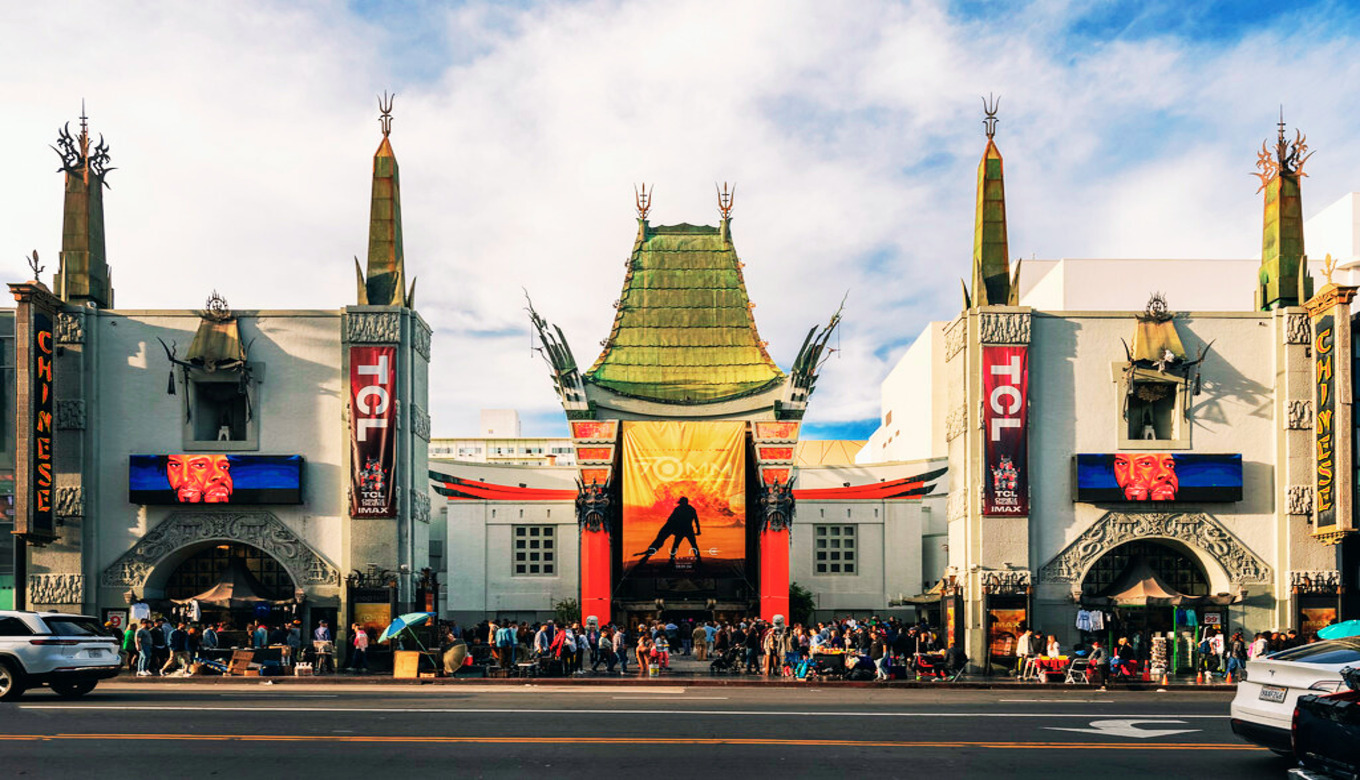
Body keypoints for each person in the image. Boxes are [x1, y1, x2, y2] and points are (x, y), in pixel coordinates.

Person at [634, 496, 702, 568]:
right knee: (692, 545)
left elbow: (671, 521)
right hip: (688, 530)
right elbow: (696, 520)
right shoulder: (691, 509)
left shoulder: (678, 509)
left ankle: (672, 560)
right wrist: (698, 530)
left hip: (681, 530)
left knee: (676, 545)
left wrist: (671, 530)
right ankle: (698, 560)